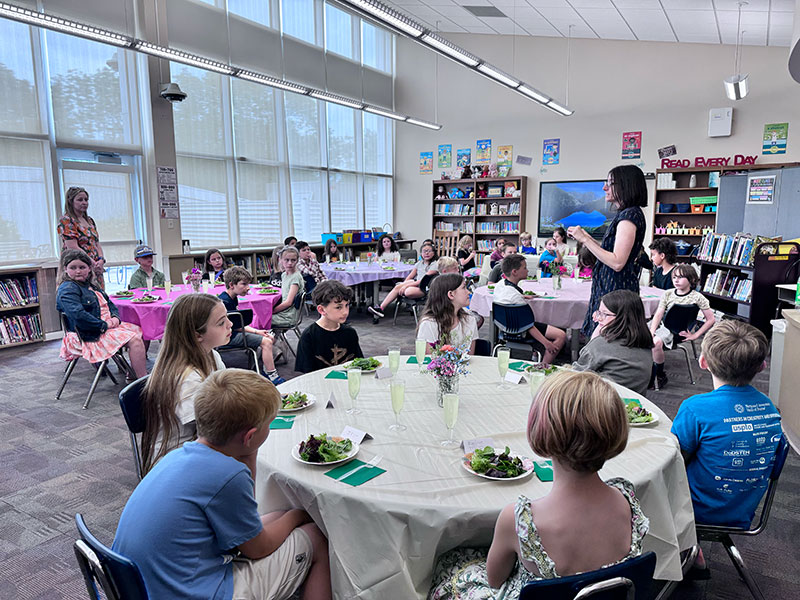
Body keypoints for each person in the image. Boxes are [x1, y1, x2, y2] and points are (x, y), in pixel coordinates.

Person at [113, 369, 332, 600]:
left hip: (142, 587)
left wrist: (249, 454)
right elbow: (258, 548)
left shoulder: (177, 456)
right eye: (269, 424)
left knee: (278, 514)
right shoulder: (229, 475)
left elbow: (248, 525)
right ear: (249, 437)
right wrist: (298, 515)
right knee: (316, 536)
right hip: (193, 593)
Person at [429, 370, 648, 599]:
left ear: (542, 429)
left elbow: (494, 579)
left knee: (448, 565)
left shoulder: (520, 520)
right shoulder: (627, 501)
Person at [671, 321, 780, 574]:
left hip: (696, 510)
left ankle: (685, 548)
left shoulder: (695, 408)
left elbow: (674, 462)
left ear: (703, 362)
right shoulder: (770, 410)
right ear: (762, 366)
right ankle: (692, 548)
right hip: (743, 509)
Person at [140, 293, 231, 474]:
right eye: (221, 322)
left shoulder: (211, 355)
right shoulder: (186, 378)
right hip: (177, 463)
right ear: (197, 335)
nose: (230, 324)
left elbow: (227, 392)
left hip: (198, 448)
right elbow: (212, 429)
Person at [567, 165, 648, 336]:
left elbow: (617, 262)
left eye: (610, 183)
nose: (605, 187)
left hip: (616, 292)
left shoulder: (629, 216)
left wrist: (585, 239)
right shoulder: (626, 214)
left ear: (625, 185)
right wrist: (586, 238)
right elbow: (611, 256)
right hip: (611, 289)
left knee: (606, 341)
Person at [56, 249, 147, 380]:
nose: (78, 271)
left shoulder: (91, 285)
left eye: (82, 267)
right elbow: (79, 316)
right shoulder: (67, 289)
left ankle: (133, 372)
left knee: (139, 330)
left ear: (89, 269)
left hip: (102, 327)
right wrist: (104, 325)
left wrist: (115, 318)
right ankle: (142, 380)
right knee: (134, 340)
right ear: (65, 269)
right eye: (73, 268)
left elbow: (110, 304)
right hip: (89, 333)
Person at [571, 290, 653, 395]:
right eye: (598, 312)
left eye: (604, 314)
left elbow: (574, 378)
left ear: (622, 318)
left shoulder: (600, 346)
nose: (598, 318)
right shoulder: (645, 345)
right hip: (634, 402)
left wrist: (596, 338)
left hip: (602, 402)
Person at [648, 264, 715, 389]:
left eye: (680, 277)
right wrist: (651, 331)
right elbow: (658, 314)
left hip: (675, 331)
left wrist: (695, 335)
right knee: (635, 333)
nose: (676, 280)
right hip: (660, 325)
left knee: (656, 342)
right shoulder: (668, 294)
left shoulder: (698, 297)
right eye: (674, 277)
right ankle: (643, 371)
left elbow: (711, 319)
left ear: (691, 279)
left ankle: (659, 374)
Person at [493, 254, 566, 365]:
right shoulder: (515, 297)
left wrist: (521, 295)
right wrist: (547, 343)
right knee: (561, 335)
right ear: (514, 272)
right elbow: (528, 326)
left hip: (504, 327)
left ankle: (537, 355)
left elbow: (509, 298)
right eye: (525, 268)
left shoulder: (500, 285)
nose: (527, 270)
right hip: (520, 330)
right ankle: (543, 365)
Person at [219, 266, 285, 385]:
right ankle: (272, 376)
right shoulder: (225, 302)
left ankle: (264, 370)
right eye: (244, 284)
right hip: (228, 337)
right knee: (267, 341)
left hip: (232, 332)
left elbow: (237, 325)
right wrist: (256, 332)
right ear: (231, 285)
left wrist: (257, 332)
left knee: (269, 337)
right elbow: (236, 327)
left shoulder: (230, 298)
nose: (248, 287)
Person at [295, 280, 363, 373]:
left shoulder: (350, 333)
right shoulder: (309, 336)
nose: (345, 312)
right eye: (338, 307)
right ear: (322, 310)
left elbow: (358, 364)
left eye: (347, 305)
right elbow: (306, 373)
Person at [368, 242, 439, 319]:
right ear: (421, 253)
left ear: (434, 253)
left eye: (429, 251)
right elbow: (410, 276)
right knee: (399, 286)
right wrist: (404, 284)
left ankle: (381, 308)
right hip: (416, 284)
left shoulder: (435, 265)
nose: (426, 253)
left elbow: (424, 281)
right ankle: (381, 308)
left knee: (407, 291)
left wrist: (405, 286)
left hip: (425, 288)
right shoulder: (419, 263)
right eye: (424, 251)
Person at [57, 187, 107, 289]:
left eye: (86, 200)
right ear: (71, 201)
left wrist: (101, 260)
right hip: (78, 267)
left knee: (99, 294)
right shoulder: (67, 220)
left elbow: (96, 243)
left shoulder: (89, 220)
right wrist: (91, 263)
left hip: (95, 266)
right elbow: (72, 246)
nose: (84, 202)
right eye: (80, 200)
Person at [417, 273, 479, 354]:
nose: (469, 292)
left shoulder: (469, 319)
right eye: (464, 287)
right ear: (451, 294)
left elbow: (471, 356)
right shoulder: (429, 323)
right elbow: (429, 358)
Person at [272, 246, 305, 328]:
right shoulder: (284, 275)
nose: (290, 263)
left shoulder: (295, 277)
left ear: (297, 260)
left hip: (288, 316)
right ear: (280, 260)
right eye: (286, 260)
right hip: (283, 312)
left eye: (293, 260)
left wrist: (272, 311)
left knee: (258, 319)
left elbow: (288, 302)